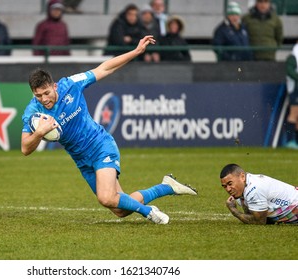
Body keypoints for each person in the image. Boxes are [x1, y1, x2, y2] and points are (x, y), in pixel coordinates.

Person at [21, 36, 198, 225]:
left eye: (46, 93)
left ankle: (149, 212)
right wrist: (39, 132)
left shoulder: (71, 84)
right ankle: (166, 187)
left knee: (106, 198)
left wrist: (136, 52)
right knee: (120, 209)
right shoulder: (33, 112)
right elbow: (25, 148)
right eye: (38, 96)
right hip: (81, 159)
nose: (44, 99)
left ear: (54, 86)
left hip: (100, 145)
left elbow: (105, 68)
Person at [220, 163, 298, 225]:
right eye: (225, 186)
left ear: (242, 177)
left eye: (230, 184)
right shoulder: (244, 187)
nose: (228, 189)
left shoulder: (254, 189)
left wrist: (234, 210)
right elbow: (250, 214)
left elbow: (259, 221)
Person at [285, 41, 298, 149]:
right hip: (295, 89)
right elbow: (289, 70)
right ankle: (290, 141)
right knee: (294, 113)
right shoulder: (294, 55)